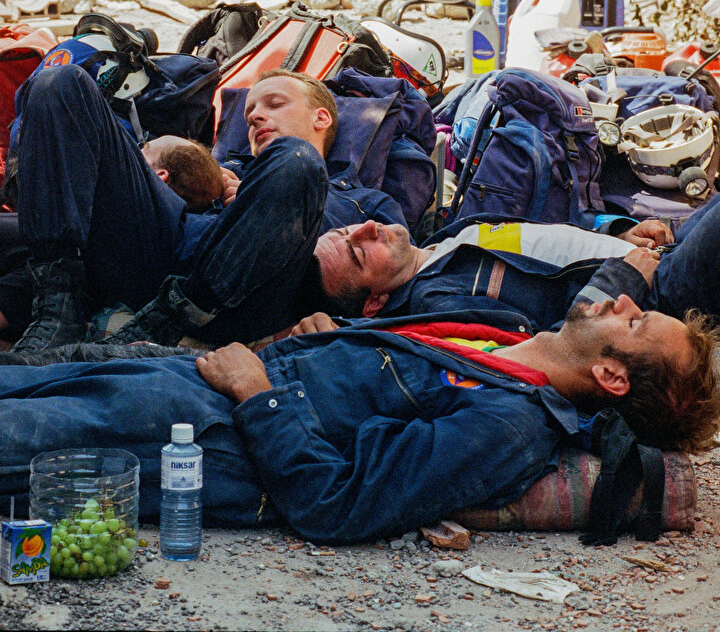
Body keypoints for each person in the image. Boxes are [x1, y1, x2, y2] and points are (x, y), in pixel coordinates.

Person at [0, 297, 717, 545]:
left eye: (635, 322)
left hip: (210, 436)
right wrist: (333, 337)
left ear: (612, 376)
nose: (624, 302)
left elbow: (338, 504)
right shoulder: (502, 335)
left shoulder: (510, 426)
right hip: (201, 379)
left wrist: (258, 393)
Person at [3, 65, 404, 352]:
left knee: (296, 161)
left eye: (275, 104)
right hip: (163, 250)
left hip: (246, 297)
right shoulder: (224, 168)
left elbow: (393, 271)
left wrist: (260, 201)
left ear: (321, 117)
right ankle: (59, 305)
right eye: (249, 113)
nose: (255, 116)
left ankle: (175, 321)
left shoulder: (363, 200)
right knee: (61, 82)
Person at [310, 202, 720, 333]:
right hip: (659, 299)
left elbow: (548, 239)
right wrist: (625, 276)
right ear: (375, 303)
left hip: (661, 254)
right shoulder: (436, 303)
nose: (367, 228)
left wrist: (620, 232)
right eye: (360, 253)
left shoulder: (448, 239)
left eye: (349, 229)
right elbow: (554, 346)